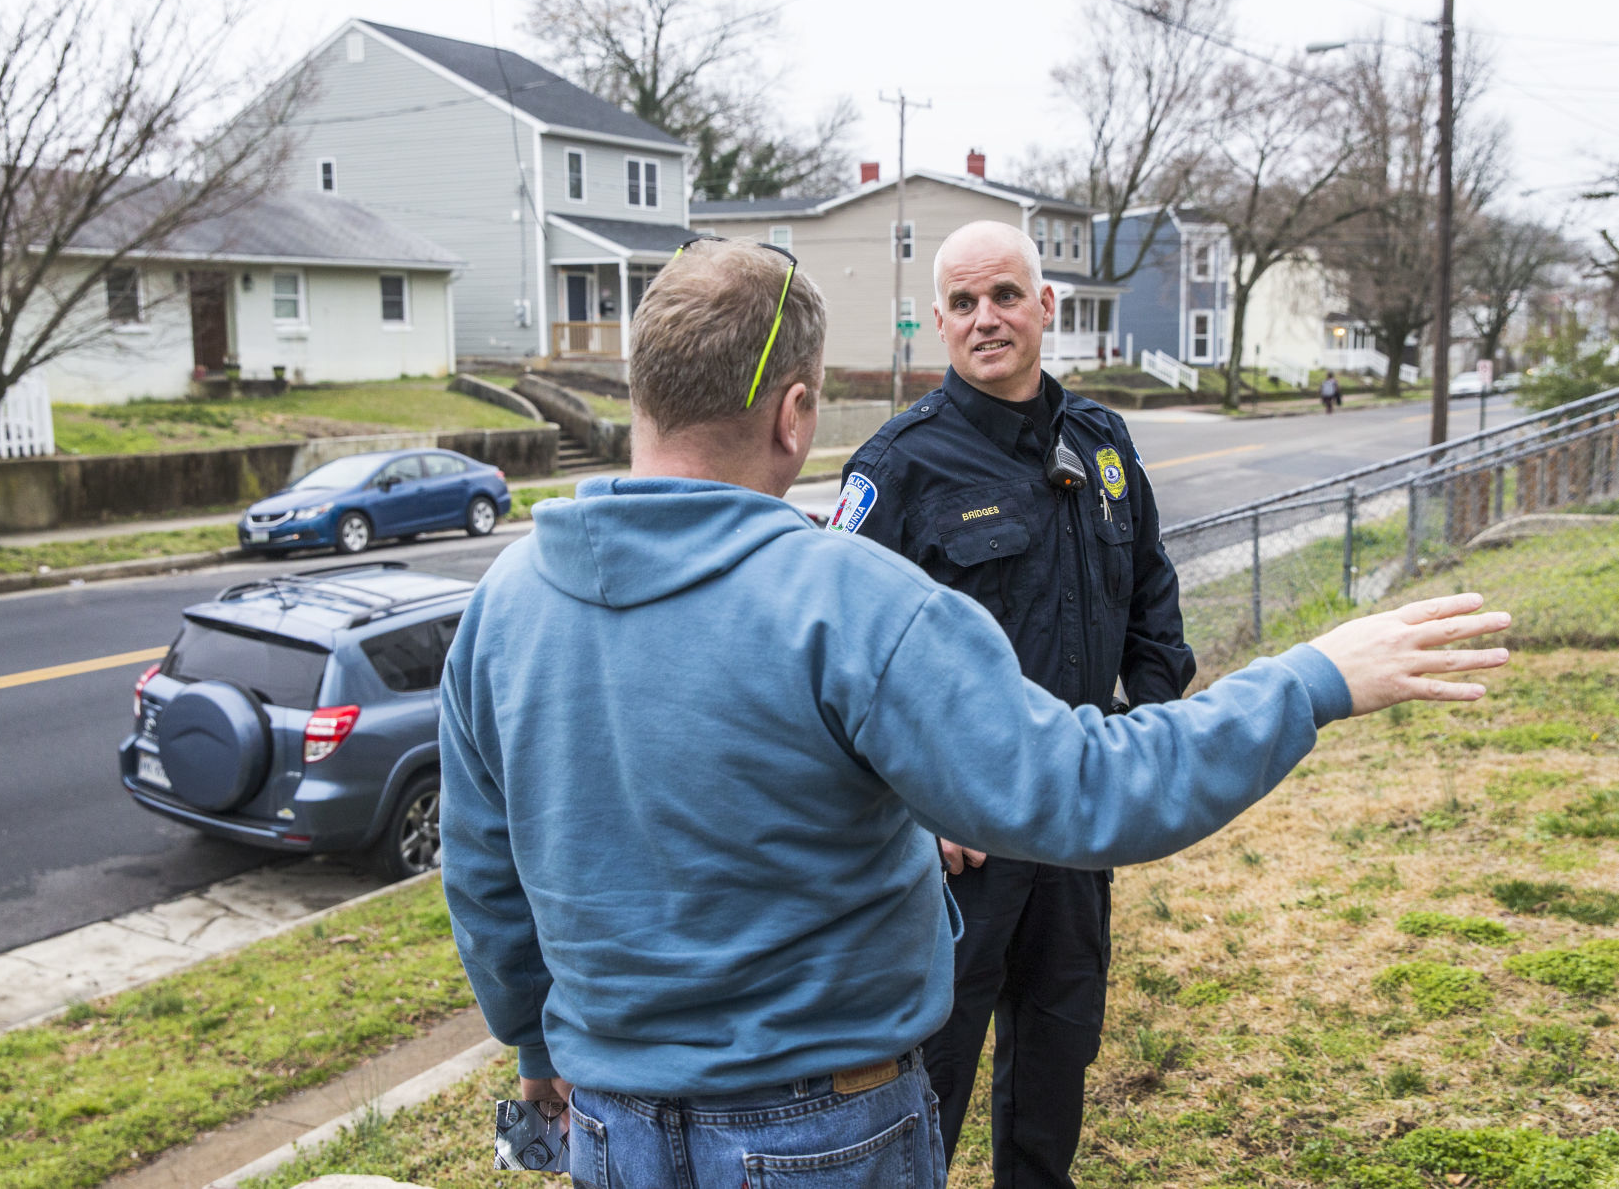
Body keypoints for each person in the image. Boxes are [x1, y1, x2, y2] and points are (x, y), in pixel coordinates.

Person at [438, 237, 1508, 1189]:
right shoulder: (847, 597)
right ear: (795, 412)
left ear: (642, 392)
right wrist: (1312, 679)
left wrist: (534, 1048)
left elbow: (482, 876)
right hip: (824, 1133)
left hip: (606, 1128)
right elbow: (1088, 788)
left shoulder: (500, 607)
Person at [834, 219, 1189, 1187]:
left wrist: (1141, 742)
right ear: (939, 325)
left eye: (1002, 296)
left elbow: (1154, 610)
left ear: (1045, 306)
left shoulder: (1102, 446)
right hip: (958, 860)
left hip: (1074, 834)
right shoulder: (894, 469)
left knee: (1052, 1077)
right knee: (924, 1103)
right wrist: (913, 807)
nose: (983, 318)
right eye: (961, 303)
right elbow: (837, 667)